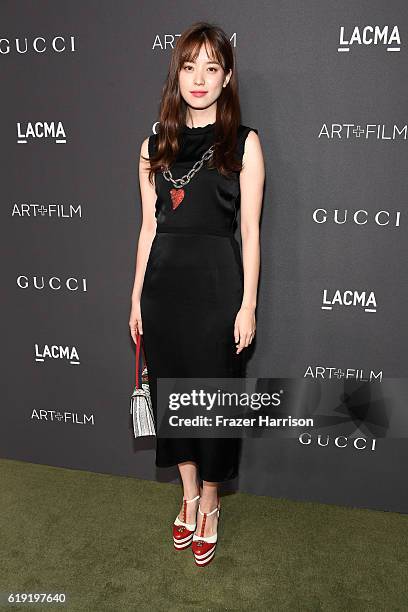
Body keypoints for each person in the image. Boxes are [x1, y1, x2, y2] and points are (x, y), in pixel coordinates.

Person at [129, 21, 265, 567]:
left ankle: (210, 502)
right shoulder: (152, 145)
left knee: (210, 402)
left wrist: (248, 302)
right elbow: (147, 228)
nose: (200, 78)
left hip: (216, 291)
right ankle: (186, 494)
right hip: (164, 290)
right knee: (173, 399)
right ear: (176, 74)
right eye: (189, 67)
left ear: (227, 76)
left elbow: (251, 232)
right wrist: (136, 297)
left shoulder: (244, 143)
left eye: (212, 67)